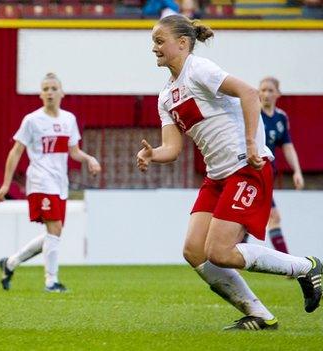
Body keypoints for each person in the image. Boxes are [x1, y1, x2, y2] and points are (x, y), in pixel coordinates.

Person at [136, 15, 321, 330]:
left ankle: (307, 267)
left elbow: (249, 93)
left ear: (182, 43)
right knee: (194, 251)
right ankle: (260, 315)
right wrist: (153, 154)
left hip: (245, 167)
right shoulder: (165, 96)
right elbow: (173, 148)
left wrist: (251, 143)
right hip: (217, 177)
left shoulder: (199, 69)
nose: (154, 48)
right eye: (153, 41)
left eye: (159, 41)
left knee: (219, 251)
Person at [0, 73, 101, 293]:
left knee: (55, 232)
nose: (50, 92)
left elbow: (74, 152)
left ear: (61, 93)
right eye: (46, 89)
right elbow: (16, 152)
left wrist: (89, 158)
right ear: (41, 94)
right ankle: (51, 282)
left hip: (59, 182)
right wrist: (6, 184)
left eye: (53, 88)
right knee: (54, 228)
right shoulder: (32, 120)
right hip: (40, 181)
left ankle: (11, 263)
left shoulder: (68, 120)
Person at [242, 77, 304, 254]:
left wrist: (297, 172)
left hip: (266, 176)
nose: (266, 94)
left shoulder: (281, 117)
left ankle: (229, 264)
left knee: (247, 221)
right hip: (252, 173)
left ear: (278, 94)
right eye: (262, 90)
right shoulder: (253, 113)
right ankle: (288, 264)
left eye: (270, 90)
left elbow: (287, 146)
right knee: (271, 217)